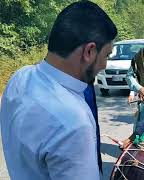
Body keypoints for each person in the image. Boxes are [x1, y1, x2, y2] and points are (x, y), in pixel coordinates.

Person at [0, 1, 117, 180]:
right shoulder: (74, 122)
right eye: (106, 55)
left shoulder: (20, 77)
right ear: (89, 51)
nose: (105, 65)